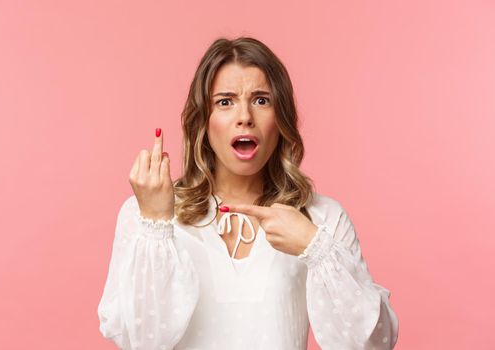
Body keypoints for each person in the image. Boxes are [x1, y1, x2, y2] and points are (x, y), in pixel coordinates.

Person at [97, 37, 399, 350]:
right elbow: (140, 341)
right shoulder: (144, 215)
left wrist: (316, 248)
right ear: (204, 119)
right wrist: (156, 223)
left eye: (261, 100)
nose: (245, 117)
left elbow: (374, 344)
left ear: (280, 119)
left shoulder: (323, 218)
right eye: (225, 102)